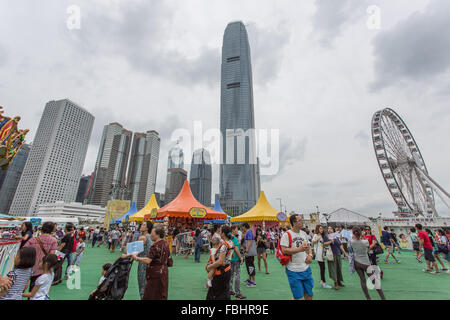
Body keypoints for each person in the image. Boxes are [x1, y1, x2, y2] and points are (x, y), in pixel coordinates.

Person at [130, 224, 171, 300]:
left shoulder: (154, 245)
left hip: (154, 271)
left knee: (149, 293)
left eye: (152, 234)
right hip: (164, 271)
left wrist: (136, 258)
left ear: (157, 235)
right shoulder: (165, 243)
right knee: (161, 293)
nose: (151, 235)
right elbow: (169, 260)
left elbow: (148, 260)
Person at [280, 214, 314, 300]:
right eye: (300, 220)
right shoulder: (287, 235)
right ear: (294, 223)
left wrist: (310, 255)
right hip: (293, 270)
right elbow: (284, 250)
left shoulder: (303, 233)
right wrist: (299, 249)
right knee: (299, 298)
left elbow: (308, 246)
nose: (302, 222)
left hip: (306, 269)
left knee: (309, 296)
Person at [350, 226, 386, 300]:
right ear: (360, 233)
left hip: (357, 262)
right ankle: (383, 298)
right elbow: (367, 246)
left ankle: (368, 298)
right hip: (366, 263)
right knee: (374, 280)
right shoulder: (365, 242)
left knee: (362, 280)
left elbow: (353, 241)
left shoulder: (352, 242)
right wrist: (362, 236)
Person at [24, 221, 58, 290]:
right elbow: (51, 256)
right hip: (44, 269)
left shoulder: (33, 239)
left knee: (32, 289)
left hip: (32, 268)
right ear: (51, 230)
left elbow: (23, 250)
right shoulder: (53, 240)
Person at [206, 225, 234, 300]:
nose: (219, 233)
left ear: (223, 234)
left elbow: (220, 262)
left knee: (215, 293)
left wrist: (210, 267)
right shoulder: (231, 243)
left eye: (220, 232)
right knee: (225, 292)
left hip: (221, 272)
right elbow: (232, 255)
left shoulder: (224, 246)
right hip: (227, 270)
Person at [326, 226, 348, 290]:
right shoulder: (326, 237)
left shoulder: (336, 236)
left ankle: (339, 281)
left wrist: (345, 253)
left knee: (338, 268)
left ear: (333, 230)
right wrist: (330, 241)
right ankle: (335, 282)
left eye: (330, 228)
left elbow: (340, 245)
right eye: (328, 228)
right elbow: (324, 244)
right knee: (333, 269)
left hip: (338, 254)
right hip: (331, 255)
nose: (329, 229)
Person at [312, 225, 332, 289]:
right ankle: (324, 282)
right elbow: (313, 242)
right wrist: (318, 238)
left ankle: (322, 281)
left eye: (322, 228)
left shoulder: (323, 236)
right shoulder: (316, 235)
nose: (321, 230)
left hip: (322, 253)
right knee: (322, 268)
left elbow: (322, 244)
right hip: (318, 254)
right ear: (317, 229)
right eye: (320, 228)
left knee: (323, 268)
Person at [137, 221, 153, 299]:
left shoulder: (142, 237)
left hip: (143, 263)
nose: (141, 226)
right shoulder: (152, 237)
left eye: (143, 225)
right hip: (152, 264)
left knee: (143, 286)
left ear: (147, 228)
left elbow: (136, 252)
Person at [229, 225, 245, 299]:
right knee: (237, 276)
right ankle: (237, 293)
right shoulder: (234, 238)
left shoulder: (228, 237)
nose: (237, 230)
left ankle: (230, 290)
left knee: (231, 275)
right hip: (235, 259)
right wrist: (241, 258)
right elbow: (236, 249)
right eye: (236, 229)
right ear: (232, 230)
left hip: (229, 259)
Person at [242, 223, 257, 287]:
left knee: (250, 266)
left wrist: (247, 251)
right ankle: (250, 279)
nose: (242, 228)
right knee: (249, 265)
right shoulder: (248, 232)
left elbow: (250, 241)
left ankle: (253, 282)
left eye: (243, 227)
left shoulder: (249, 232)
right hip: (249, 252)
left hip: (249, 253)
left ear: (245, 227)